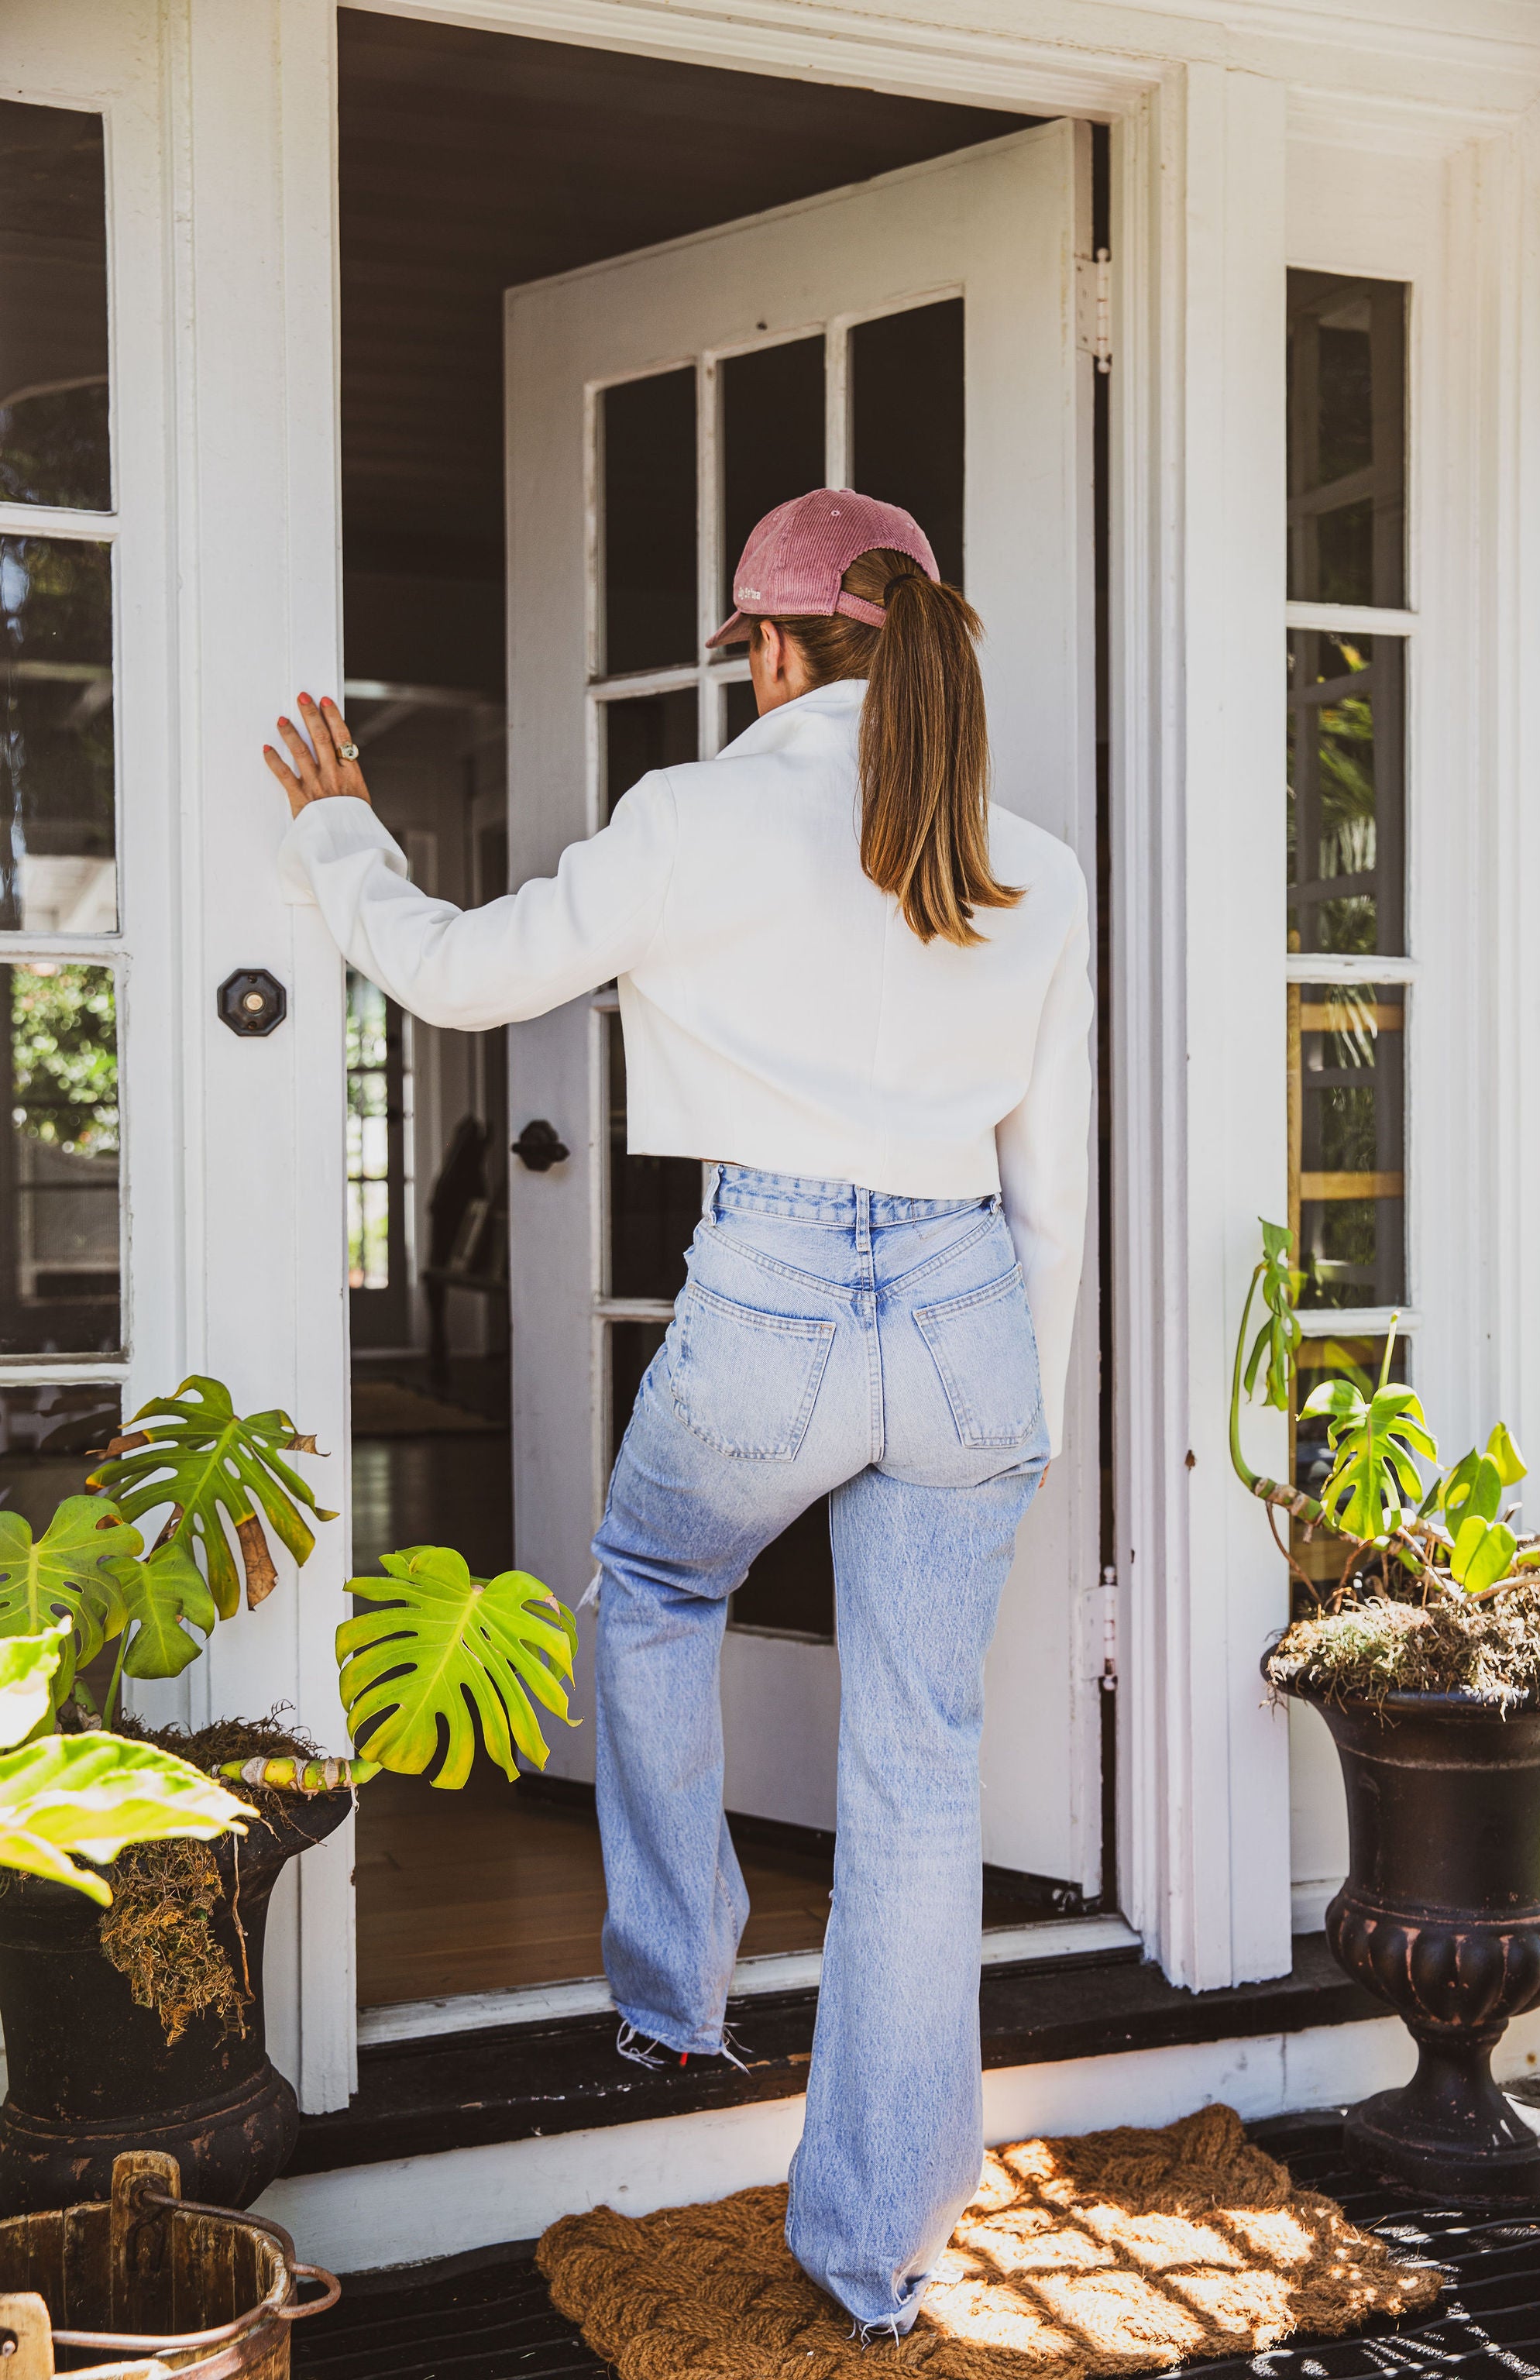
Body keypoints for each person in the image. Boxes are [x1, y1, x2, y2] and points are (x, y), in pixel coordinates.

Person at [264, 487, 1091, 2341]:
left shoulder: (695, 817)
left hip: (773, 1303)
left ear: (773, 648)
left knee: (651, 1585)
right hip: (968, 1313)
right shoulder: (1024, 855)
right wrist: (1017, 1413)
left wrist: (339, 833)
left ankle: (674, 1996)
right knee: (916, 1770)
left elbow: (457, 973)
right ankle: (875, 2254)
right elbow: (1053, 1185)